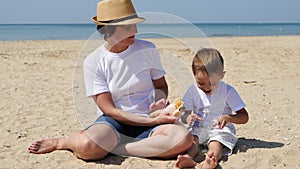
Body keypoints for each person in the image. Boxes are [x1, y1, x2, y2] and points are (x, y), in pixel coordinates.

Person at [28, 0, 192, 161]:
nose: (135, 30)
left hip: (150, 119)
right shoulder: (94, 61)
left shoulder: (148, 49)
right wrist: (152, 120)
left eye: (135, 24)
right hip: (115, 122)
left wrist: (158, 104)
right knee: (86, 146)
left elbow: (160, 85)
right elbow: (109, 110)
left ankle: (116, 149)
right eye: (127, 26)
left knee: (183, 138)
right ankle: (63, 142)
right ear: (108, 29)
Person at [175, 48, 249, 168]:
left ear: (222, 76)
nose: (207, 88)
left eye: (212, 83)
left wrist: (228, 117)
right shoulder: (193, 90)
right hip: (199, 128)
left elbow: (244, 117)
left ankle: (211, 158)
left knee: (216, 143)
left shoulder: (227, 91)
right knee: (192, 141)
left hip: (220, 129)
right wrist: (188, 117)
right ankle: (188, 158)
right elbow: (184, 113)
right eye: (201, 83)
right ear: (194, 76)